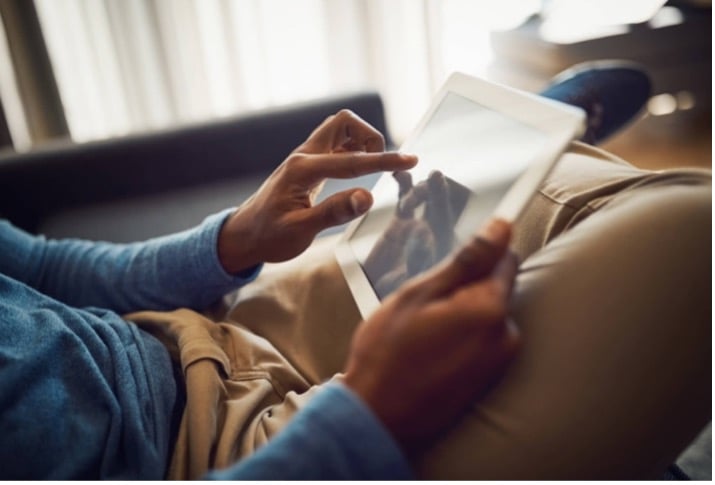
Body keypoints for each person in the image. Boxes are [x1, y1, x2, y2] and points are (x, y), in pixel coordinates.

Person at [0, 63, 710, 480]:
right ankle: (539, 143)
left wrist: (231, 239)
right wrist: (368, 409)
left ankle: (524, 145)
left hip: (197, 337)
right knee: (694, 225)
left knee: (428, 212)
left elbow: (46, 267)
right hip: (225, 453)